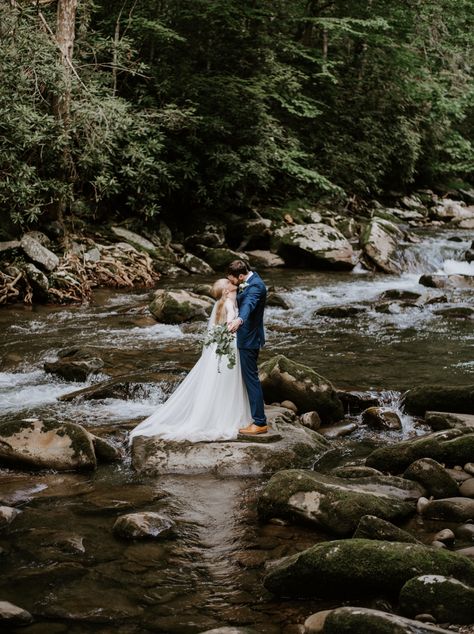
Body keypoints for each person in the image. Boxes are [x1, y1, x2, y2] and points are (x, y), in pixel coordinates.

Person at [129, 278, 251, 443]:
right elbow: (230, 326)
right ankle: (225, 415)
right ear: (226, 291)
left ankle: (211, 413)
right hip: (228, 346)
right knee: (227, 382)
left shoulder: (218, 305)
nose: (232, 283)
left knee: (214, 382)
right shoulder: (229, 304)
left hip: (216, 348)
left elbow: (216, 328)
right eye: (228, 283)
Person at [227, 259, 268, 435]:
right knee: (247, 379)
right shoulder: (250, 280)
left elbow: (249, 305)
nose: (231, 282)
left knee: (251, 380)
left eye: (233, 279)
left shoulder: (256, 287)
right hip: (244, 338)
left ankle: (259, 422)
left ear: (242, 276)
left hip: (249, 340)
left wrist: (239, 319)